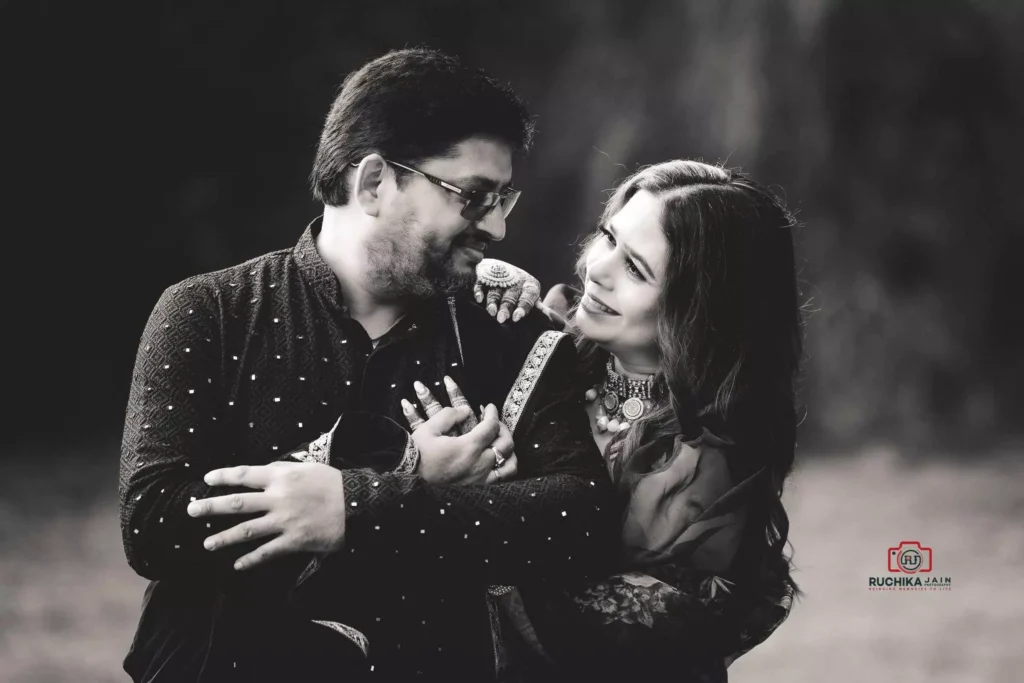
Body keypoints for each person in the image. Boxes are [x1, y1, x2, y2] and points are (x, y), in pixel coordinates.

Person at [118, 48, 618, 683]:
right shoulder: (208, 311)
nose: (495, 227)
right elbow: (155, 525)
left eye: (503, 200)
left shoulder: (507, 327)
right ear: (375, 182)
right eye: (473, 196)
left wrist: (359, 508)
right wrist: (398, 468)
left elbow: (580, 519)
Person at [441, 159, 805, 681]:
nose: (597, 269)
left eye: (635, 269)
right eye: (607, 238)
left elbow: (614, 632)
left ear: (700, 310)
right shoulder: (553, 348)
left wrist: (475, 512)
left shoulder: (705, 459)